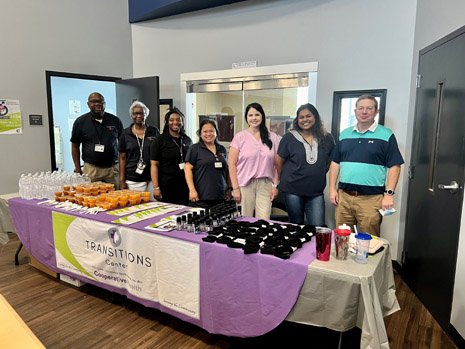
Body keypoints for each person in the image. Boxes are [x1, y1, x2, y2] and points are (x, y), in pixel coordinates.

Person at [329, 94, 404, 236]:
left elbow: (395, 165)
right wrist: (332, 189)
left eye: (369, 108)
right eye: (361, 108)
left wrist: (389, 194)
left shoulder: (386, 135)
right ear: (355, 111)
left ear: (376, 111)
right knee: (342, 238)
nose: (364, 112)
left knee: (369, 241)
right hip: (344, 198)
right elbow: (335, 163)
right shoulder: (344, 134)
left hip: (371, 199)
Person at [276, 103, 335, 225]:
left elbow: (328, 161)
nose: (305, 120)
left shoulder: (327, 138)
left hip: (316, 191)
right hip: (292, 189)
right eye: (301, 117)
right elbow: (278, 161)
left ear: (316, 117)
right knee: (296, 225)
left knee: (318, 227)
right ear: (297, 120)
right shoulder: (289, 138)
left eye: (308, 116)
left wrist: (316, 173)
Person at [228, 103, 279, 219]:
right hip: (244, 185)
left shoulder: (273, 137)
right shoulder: (240, 137)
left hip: (265, 184)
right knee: (244, 220)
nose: (254, 118)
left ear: (262, 116)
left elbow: (277, 165)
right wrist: (235, 189)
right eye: (250, 115)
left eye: (257, 114)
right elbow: (231, 164)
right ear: (246, 118)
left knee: (264, 221)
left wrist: (275, 185)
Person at [70, 92, 123, 185]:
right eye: (94, 101)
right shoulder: (80, 122)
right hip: (91, 169)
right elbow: (75, 146)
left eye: (100, 101)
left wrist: (123, 168)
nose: (98, 104)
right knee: (91, 197)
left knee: (115, 197)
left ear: (104, 103)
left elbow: (123, 145)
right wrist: (78, 170)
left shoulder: (115, 120)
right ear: (88, 104)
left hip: (113, 169)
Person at [184, 119, 230, 208]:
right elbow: (187, 168)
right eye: (205, 131)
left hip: (221, 196)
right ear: (200, 134)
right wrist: (192, 190)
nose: (208, 134)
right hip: (201, 197)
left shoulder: (222, 149)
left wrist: (229, 188)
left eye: (211, 131)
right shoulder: (195, 148)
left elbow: (227, 171)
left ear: (216, 132)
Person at [150, 108, 192, 205]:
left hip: (185, 186)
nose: (175, 122)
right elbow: (154, 165)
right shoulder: (159, 140)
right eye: (172, 120)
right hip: (166, 186)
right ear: (167, 123)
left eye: (178, 120)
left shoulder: (187, 140)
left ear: (182, 122)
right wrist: (156, 187)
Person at [118, 101, 159, 198]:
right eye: (135, 113)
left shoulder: (154, 131)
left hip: (151, 178)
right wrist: (122, 180)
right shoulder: (125, 134)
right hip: (132, 179)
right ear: (131, 116)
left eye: (141, 113)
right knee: (135, 207)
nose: (138, 116)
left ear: (146, 115)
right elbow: (122, 158)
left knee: (152, 208)